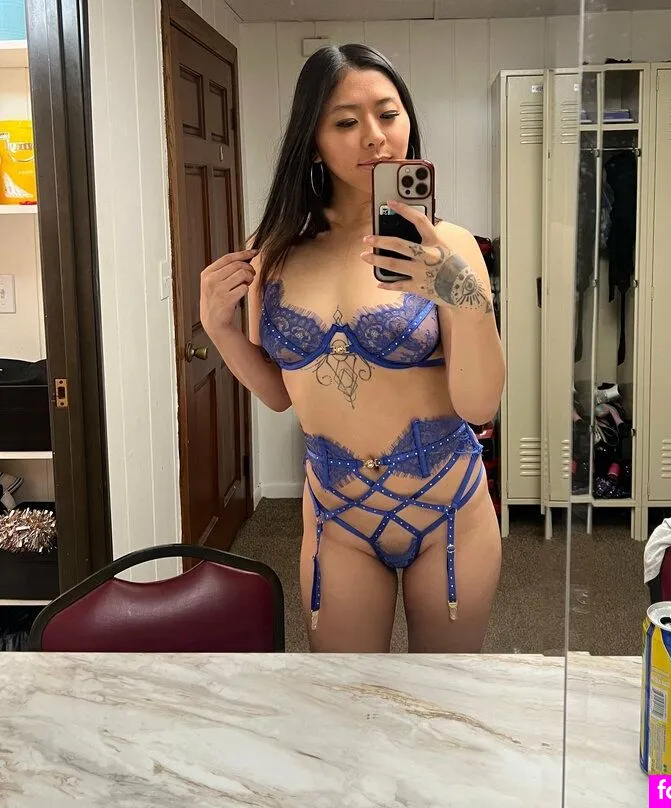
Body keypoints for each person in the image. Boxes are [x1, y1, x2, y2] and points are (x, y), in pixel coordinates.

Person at [200, 44, 504, 653]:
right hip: (337, 514)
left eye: (388, 115)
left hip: (448, 509)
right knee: (345, 695)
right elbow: (282, 395)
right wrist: (221, 330)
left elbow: (480, 405)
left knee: (443, 696)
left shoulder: (450, 246)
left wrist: (466, 299)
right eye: (345, 121)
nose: (375, 137)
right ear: (312, 141)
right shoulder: (274, 250)